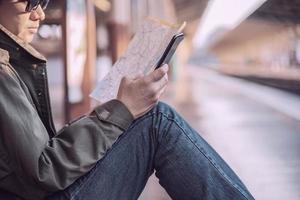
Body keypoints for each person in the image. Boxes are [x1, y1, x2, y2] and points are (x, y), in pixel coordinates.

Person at [0, 0, 255, 200]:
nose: (40, 15)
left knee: (145, 118)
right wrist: (121, 111)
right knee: (157, 121)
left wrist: (112, 112)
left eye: (42, 3)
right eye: (28, 3)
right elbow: (45, 171)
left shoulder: (11, 64)